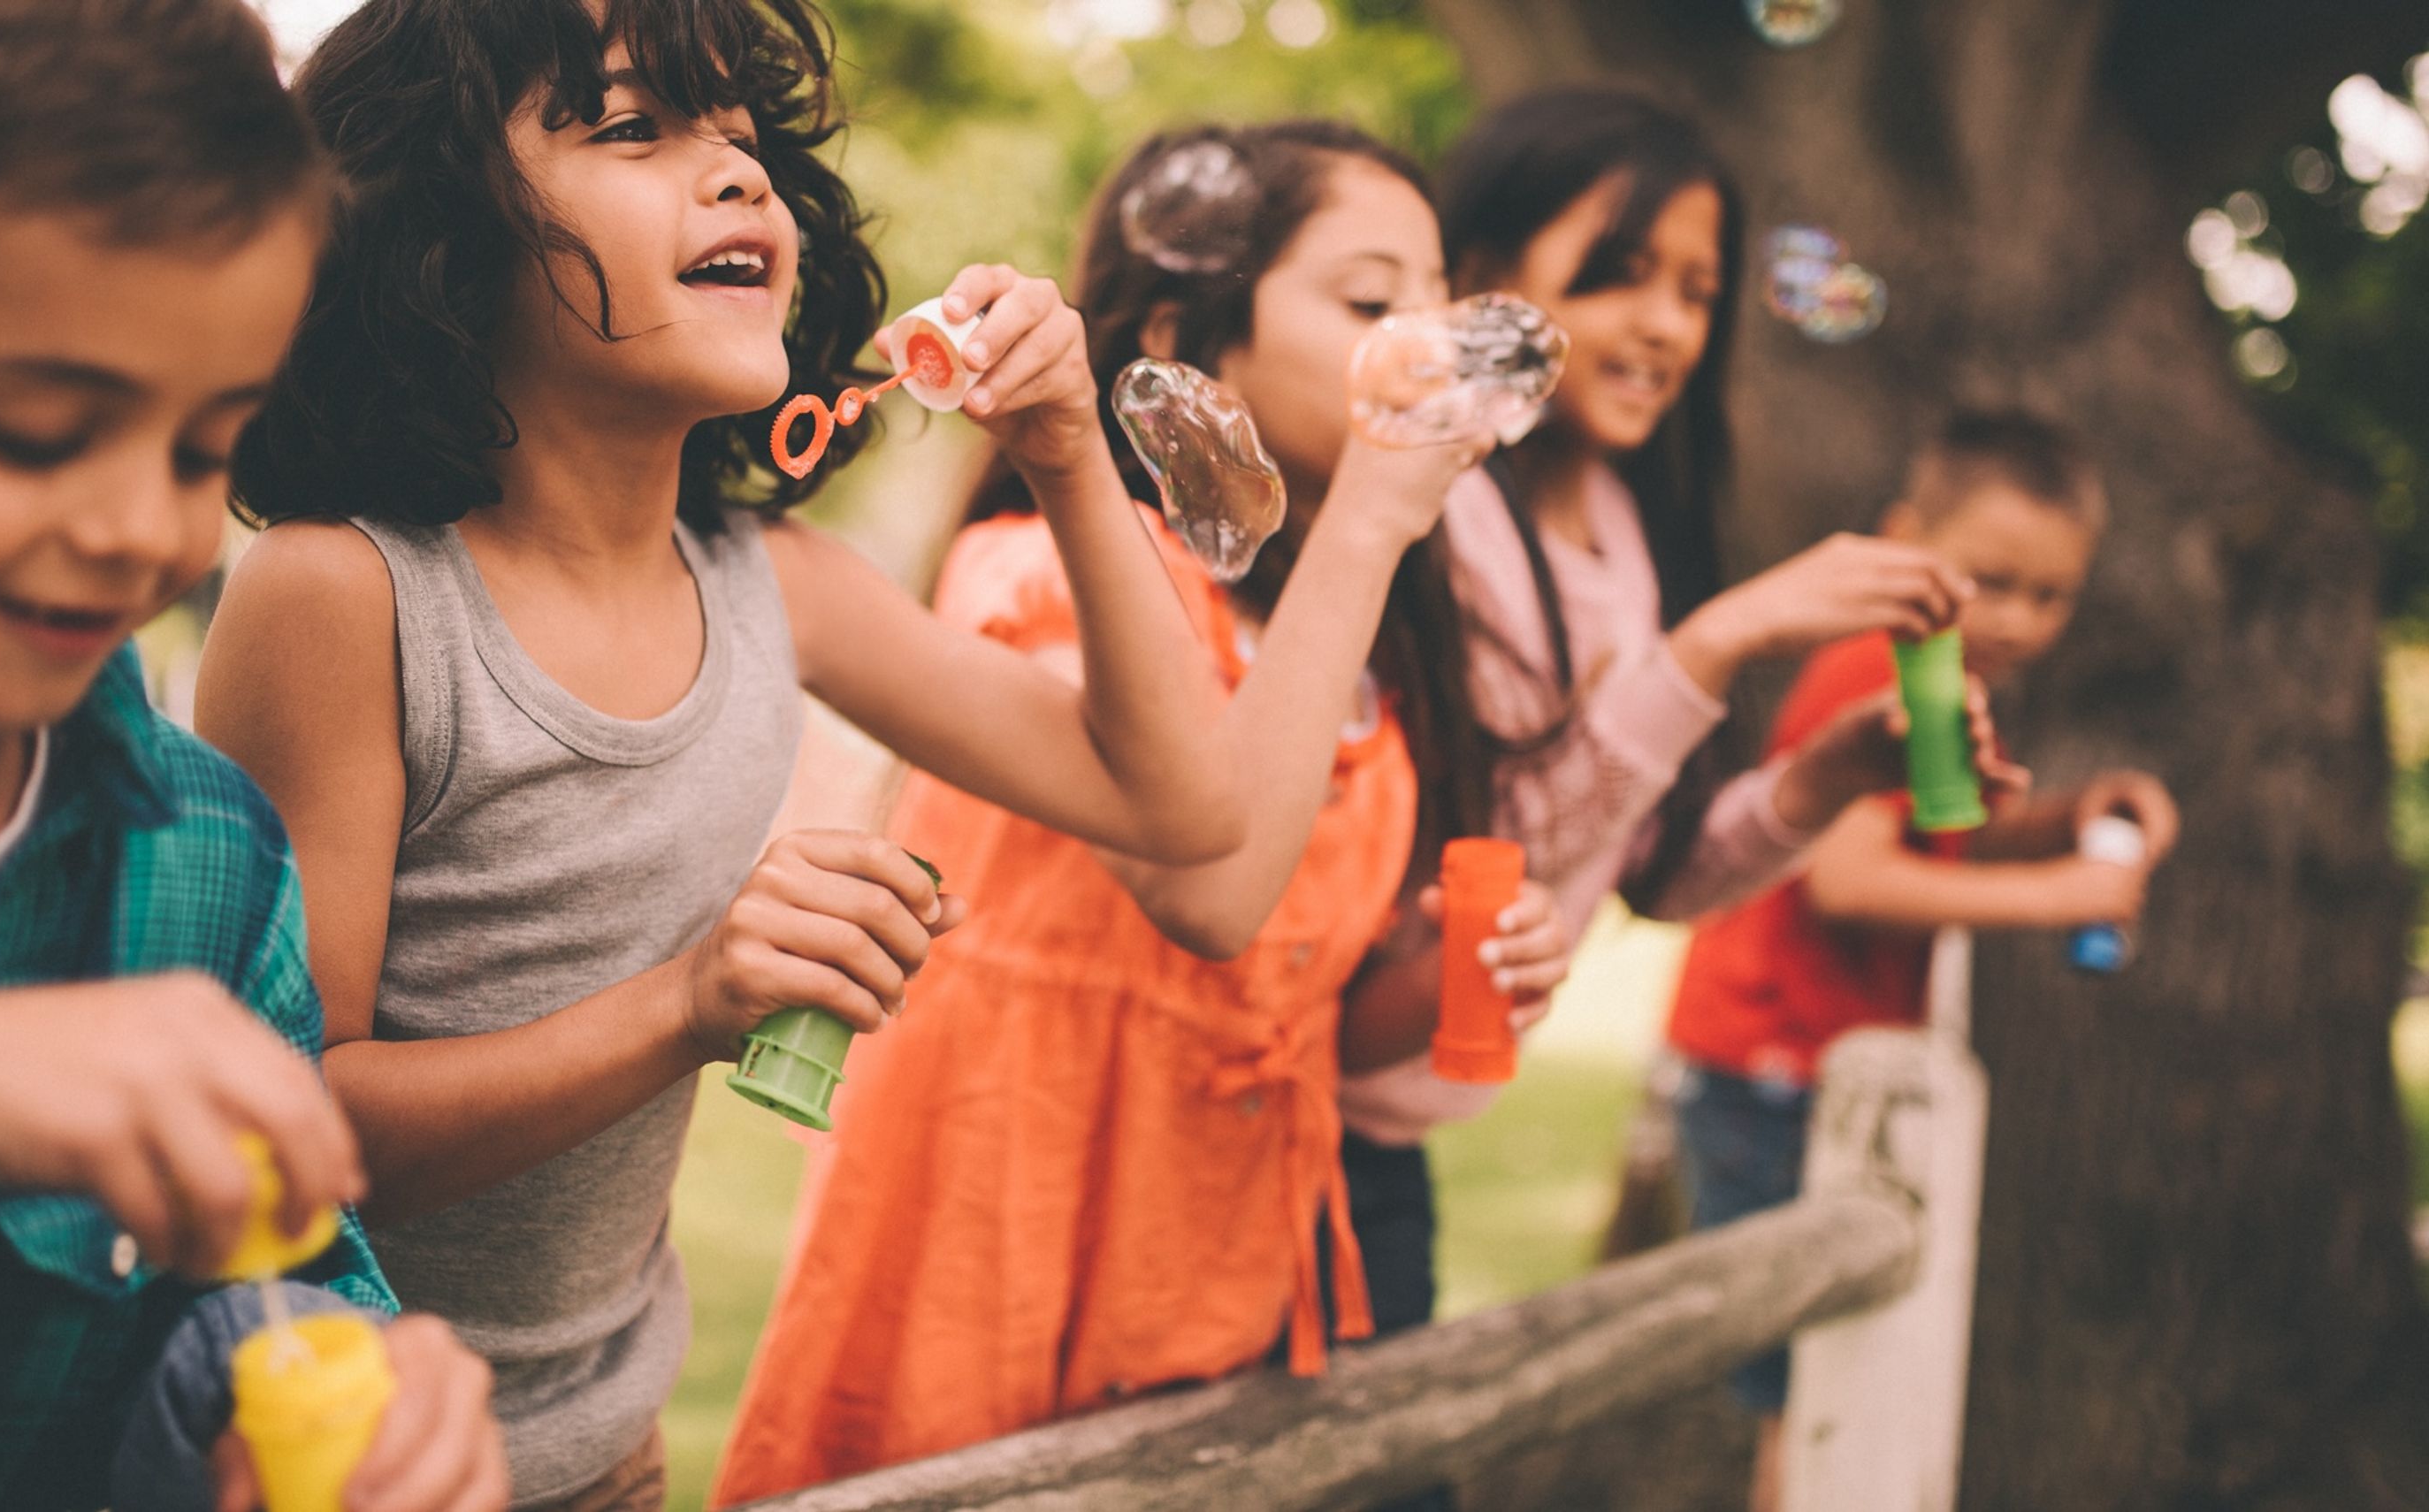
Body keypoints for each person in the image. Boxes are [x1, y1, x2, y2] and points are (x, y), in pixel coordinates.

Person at [195, 2, 1248, 1505]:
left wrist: (1067, 450)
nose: (738, 178)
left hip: (613, 1451)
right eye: (630, 128)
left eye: (744, 142)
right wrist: (689, 1001)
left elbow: (1183, 802)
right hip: (342, 1459)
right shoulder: (345, 595)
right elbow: (289, 1131)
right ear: (434, 224)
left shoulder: (773, 581)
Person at [713, 119, 1576, 1503]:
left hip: (1225, 1270)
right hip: (1008, 1235)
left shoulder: (1345, 650)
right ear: (1187, 336)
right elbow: (1210, 894)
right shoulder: (1042, 578)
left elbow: (1296, 1004)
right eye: (1370, 301)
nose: (1425, 341)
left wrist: (1445, 980)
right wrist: (1366, 523)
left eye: (1436, 299)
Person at [0, 2, 501, 1507]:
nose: (146, 527)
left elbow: (265, 1274)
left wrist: (361, 1377)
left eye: (205, 449)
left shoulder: (205, 852)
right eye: (33, 432)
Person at [1336, 84, 1987, 1387]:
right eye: (1617, 274)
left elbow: (1655, 869)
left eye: (1695, 291)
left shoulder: (1638, 539)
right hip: (1306, 1106)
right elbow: (1496, 852)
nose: (1663, 326)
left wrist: (1819, 781)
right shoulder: (1430, 519)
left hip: (1391, 1139)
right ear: (1478, 278)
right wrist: (1711, 648)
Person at [1663, 409, 2175, 1512]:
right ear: (1904, 543)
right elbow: (1849, 879)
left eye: (2052, 596)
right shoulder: (1873, 666)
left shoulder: (1943, 670)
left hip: (1822, 1069)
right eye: (1992, 579)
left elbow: (1936, 836)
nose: (2023, 620)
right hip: (1771, 1065)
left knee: (1840, 1378)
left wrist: (2070, 820)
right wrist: (2058, 896)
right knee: (1808, 1396)